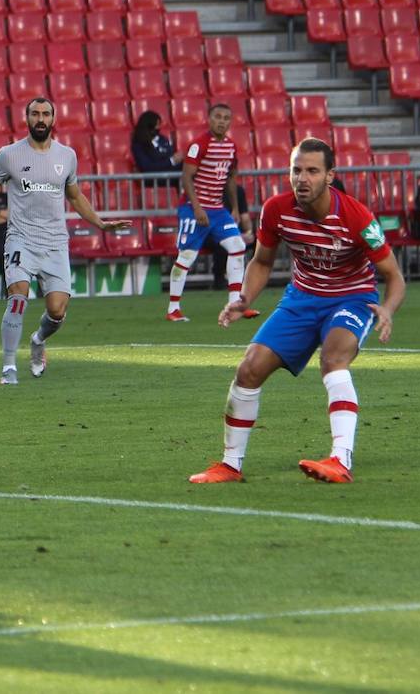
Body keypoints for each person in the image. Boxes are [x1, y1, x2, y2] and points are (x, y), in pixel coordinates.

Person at [189, 138, 406, 485]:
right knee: (248, 369)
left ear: (330, 176)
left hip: (352, 298)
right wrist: (244, 298)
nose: (302, 178)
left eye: (312, 171)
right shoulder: (276, 209)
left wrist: (388, 308)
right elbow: (261, 262)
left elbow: (394, 276)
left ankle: (340, 459)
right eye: (296, 170)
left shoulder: (357, 217)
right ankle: (230, 465)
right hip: (301, 299)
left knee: (333, 359)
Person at [0, 98, 128, 384]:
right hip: (20, 239)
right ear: (26, 118)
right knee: (17, 297)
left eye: (45, 114)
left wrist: (100, 222)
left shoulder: (67, 156)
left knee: (57, 310)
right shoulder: (9, 155)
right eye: (35, 114)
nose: (40, 118)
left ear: (53, 119)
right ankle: (8, 367)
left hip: (54, 243)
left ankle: (38, 340)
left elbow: (75, 196)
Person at [166, 104, 255, 323]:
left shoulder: (231, 147)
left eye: (226, 118)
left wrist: (233, 207)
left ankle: (236, 304)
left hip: (218, 209)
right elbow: (186, 178)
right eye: (217, 117)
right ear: (209, 119)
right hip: (192, 209)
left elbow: (231, 178)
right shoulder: (198, 144)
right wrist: (197, 208)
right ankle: (173, 308)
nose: (222, 121)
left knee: (238, 247)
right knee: (187, 256)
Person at [210, 183, 254, 290]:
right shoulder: (211, 192)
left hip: (234, 231)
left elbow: (244, 216)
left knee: (258, 241)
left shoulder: (238, 190)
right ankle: (219, 279)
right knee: (224, 243)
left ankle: (254, 276)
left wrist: (248, 232)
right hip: (210, 232)